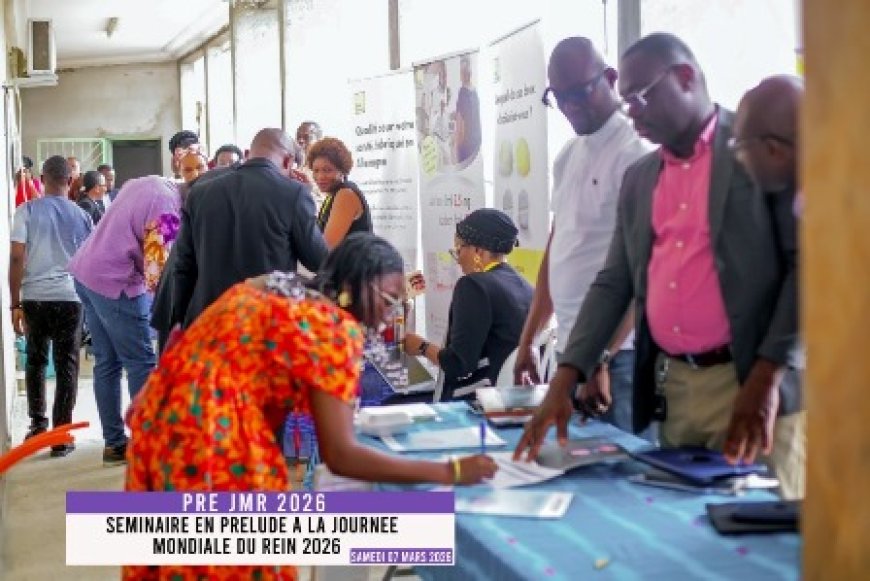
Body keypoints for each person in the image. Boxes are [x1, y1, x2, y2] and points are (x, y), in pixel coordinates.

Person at [514, 33, 805, 499]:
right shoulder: (642, 179)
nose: (632, 111)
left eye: (640, 96)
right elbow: (615, 282)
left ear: (686, 78)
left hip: (754, 387)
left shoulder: (756, 147)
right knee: (689, 537)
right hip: (678, 390)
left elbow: (805, 269)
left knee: (768, 544)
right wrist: (564, 379)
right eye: (627, 101)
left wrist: (767, 377)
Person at [123, 233, 497, 580]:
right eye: (386, 301)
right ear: (351, 287)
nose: (389, 315)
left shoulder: (270, 284)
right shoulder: (333, 330)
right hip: (212, 444)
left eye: (399, 305)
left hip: (158, 422)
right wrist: (448, 472)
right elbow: (341, 455)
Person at [513, 37, 652, 434]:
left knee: (621, 483)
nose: (570, 106)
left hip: (619, 358)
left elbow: (642, 274)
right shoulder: (568, 156)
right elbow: (557, 255)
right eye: (558, 96)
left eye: (579, 93)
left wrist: (602, 358)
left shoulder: (635, 154)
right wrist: (528, 341)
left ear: (609, 79)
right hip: (570, 353)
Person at [68, 176, 181, 465]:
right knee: (141, 362)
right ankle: (148, 446)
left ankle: (115, 444)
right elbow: (156, 272)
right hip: (114, 282)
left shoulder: (148, 182)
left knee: (106, 362)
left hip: (86, 272)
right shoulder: (169, 206)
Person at [173, 128, 328, 327]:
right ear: (288, 161)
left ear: (246, 155)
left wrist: (182, 322)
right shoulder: (294, 194)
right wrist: (308, 197)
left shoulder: (200, 192)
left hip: (210, 321)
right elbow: (319, 261)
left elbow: (183, 266)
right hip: (263, 325)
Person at [9, 156, 92, 456]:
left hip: (35, 297)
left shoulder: (26, 211)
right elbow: (89, 260)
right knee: (67, 364)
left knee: (36, 360)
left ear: (42, 179)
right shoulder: (82, 216)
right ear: (70, 181)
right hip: (71, 298)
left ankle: (38, 426)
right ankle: (61, 436)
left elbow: (17, 258)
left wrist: (14, 303)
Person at [404, 209, 533, 401]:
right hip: (518, 395)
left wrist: (421, 346)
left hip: (482, 399)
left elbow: (458, 365)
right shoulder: (526, 285)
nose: (458, 259)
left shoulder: (474, 286)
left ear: (478, 251)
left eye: (460, 248)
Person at [307, 136, 373, 248]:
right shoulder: (333, 194)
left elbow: (326, 247)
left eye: (327, 170)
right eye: (316, 170)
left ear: (342, 170)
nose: (320, 176)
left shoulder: (345, 194)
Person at [454, 54, 482, 165]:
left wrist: (456, 148)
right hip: (476, 146)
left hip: (465, 147)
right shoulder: (475, 93)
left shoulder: (462, 93)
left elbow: (460, 127)